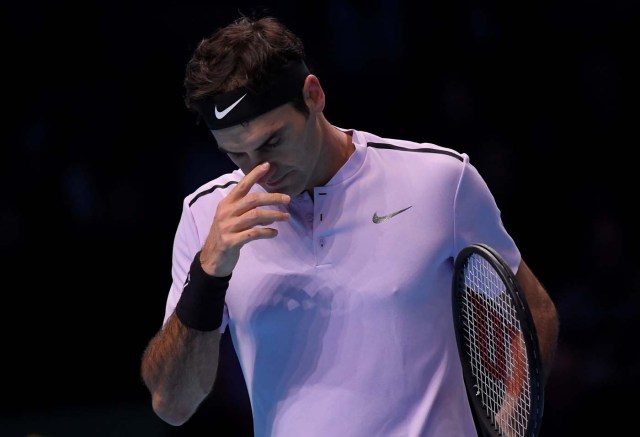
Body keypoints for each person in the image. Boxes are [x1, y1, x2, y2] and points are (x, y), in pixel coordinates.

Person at [140, 13, 559, 437]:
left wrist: (508, 424)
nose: (259, 171)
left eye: (272, 142)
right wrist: (209, 275)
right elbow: (173, 404)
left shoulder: (440, 181)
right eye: (236, 155)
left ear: (313, 95)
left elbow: (532, 313)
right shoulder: (205, 216)